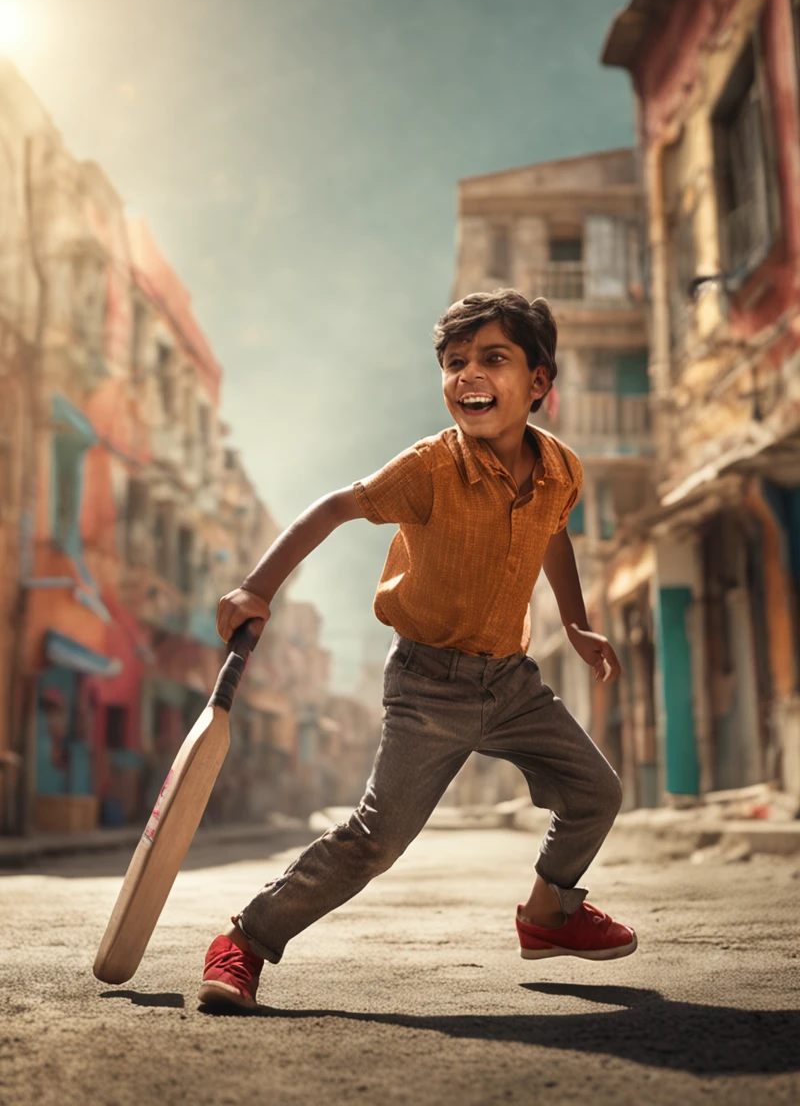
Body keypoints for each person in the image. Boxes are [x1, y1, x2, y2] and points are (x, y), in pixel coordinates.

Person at [199, 288, 636, 1011]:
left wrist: (577, 623)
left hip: (512, 680)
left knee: (598, 793)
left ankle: (549, 912)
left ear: (538, 383)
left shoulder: (561, 470)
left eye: (493, 358)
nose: (469, 374)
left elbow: (552, 532)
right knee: (377, 839)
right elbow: (337, 507)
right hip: (430, 683)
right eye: (455, 361)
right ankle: (244, 941)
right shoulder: (431, 469)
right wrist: (257, 587)